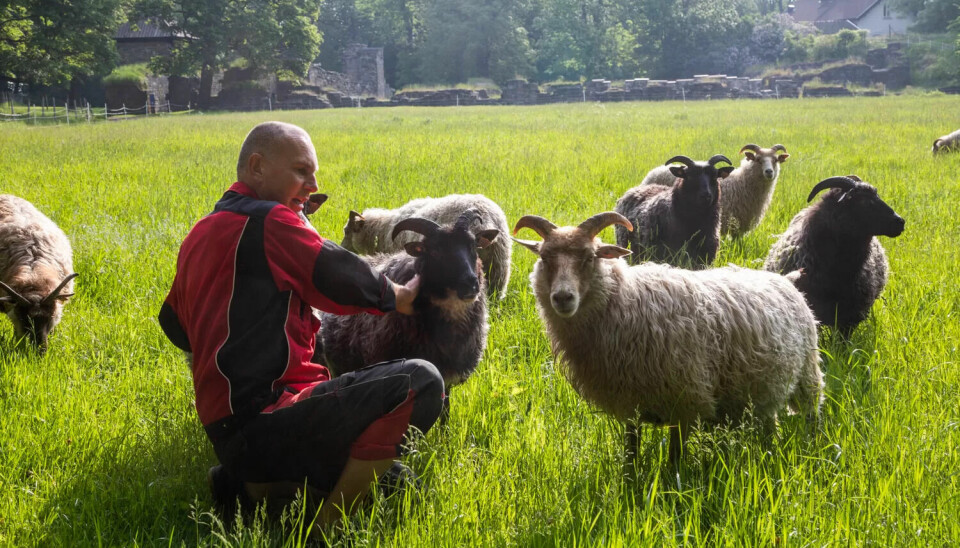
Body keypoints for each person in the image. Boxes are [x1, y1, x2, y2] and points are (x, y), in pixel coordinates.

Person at [158, 121, 444, 525]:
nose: (313, 184)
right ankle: (323, 528)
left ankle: (245, 487)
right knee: (423, 381)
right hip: (265, 418)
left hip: (228, 430)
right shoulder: (269, 221)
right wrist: (402, 296)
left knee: (398, 482)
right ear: (257, 168)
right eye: (300, 171)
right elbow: (338, 273)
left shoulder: (200, 232)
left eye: (313, 173)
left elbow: (172, 324)